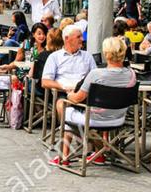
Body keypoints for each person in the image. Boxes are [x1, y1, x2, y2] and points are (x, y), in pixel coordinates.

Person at [52, 36, 136, 166]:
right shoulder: (131, 74)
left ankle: (65, 156)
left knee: (64, 106)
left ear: (106, 54)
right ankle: (99, 153)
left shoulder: (96, 74)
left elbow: (78, 98)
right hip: (119, 117)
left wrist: (69, 95)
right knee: (77, 112)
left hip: (96, 118)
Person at [41, 24, 96, 93]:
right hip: (62, 92)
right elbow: (45, 82)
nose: (82, 39)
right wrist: (63, 87)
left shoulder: (87, 56)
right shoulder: (54, 57)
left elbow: (95, 77)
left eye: (81, 36)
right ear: (67, 38)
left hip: (83, 93)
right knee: (61, 102)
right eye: (78, 37)